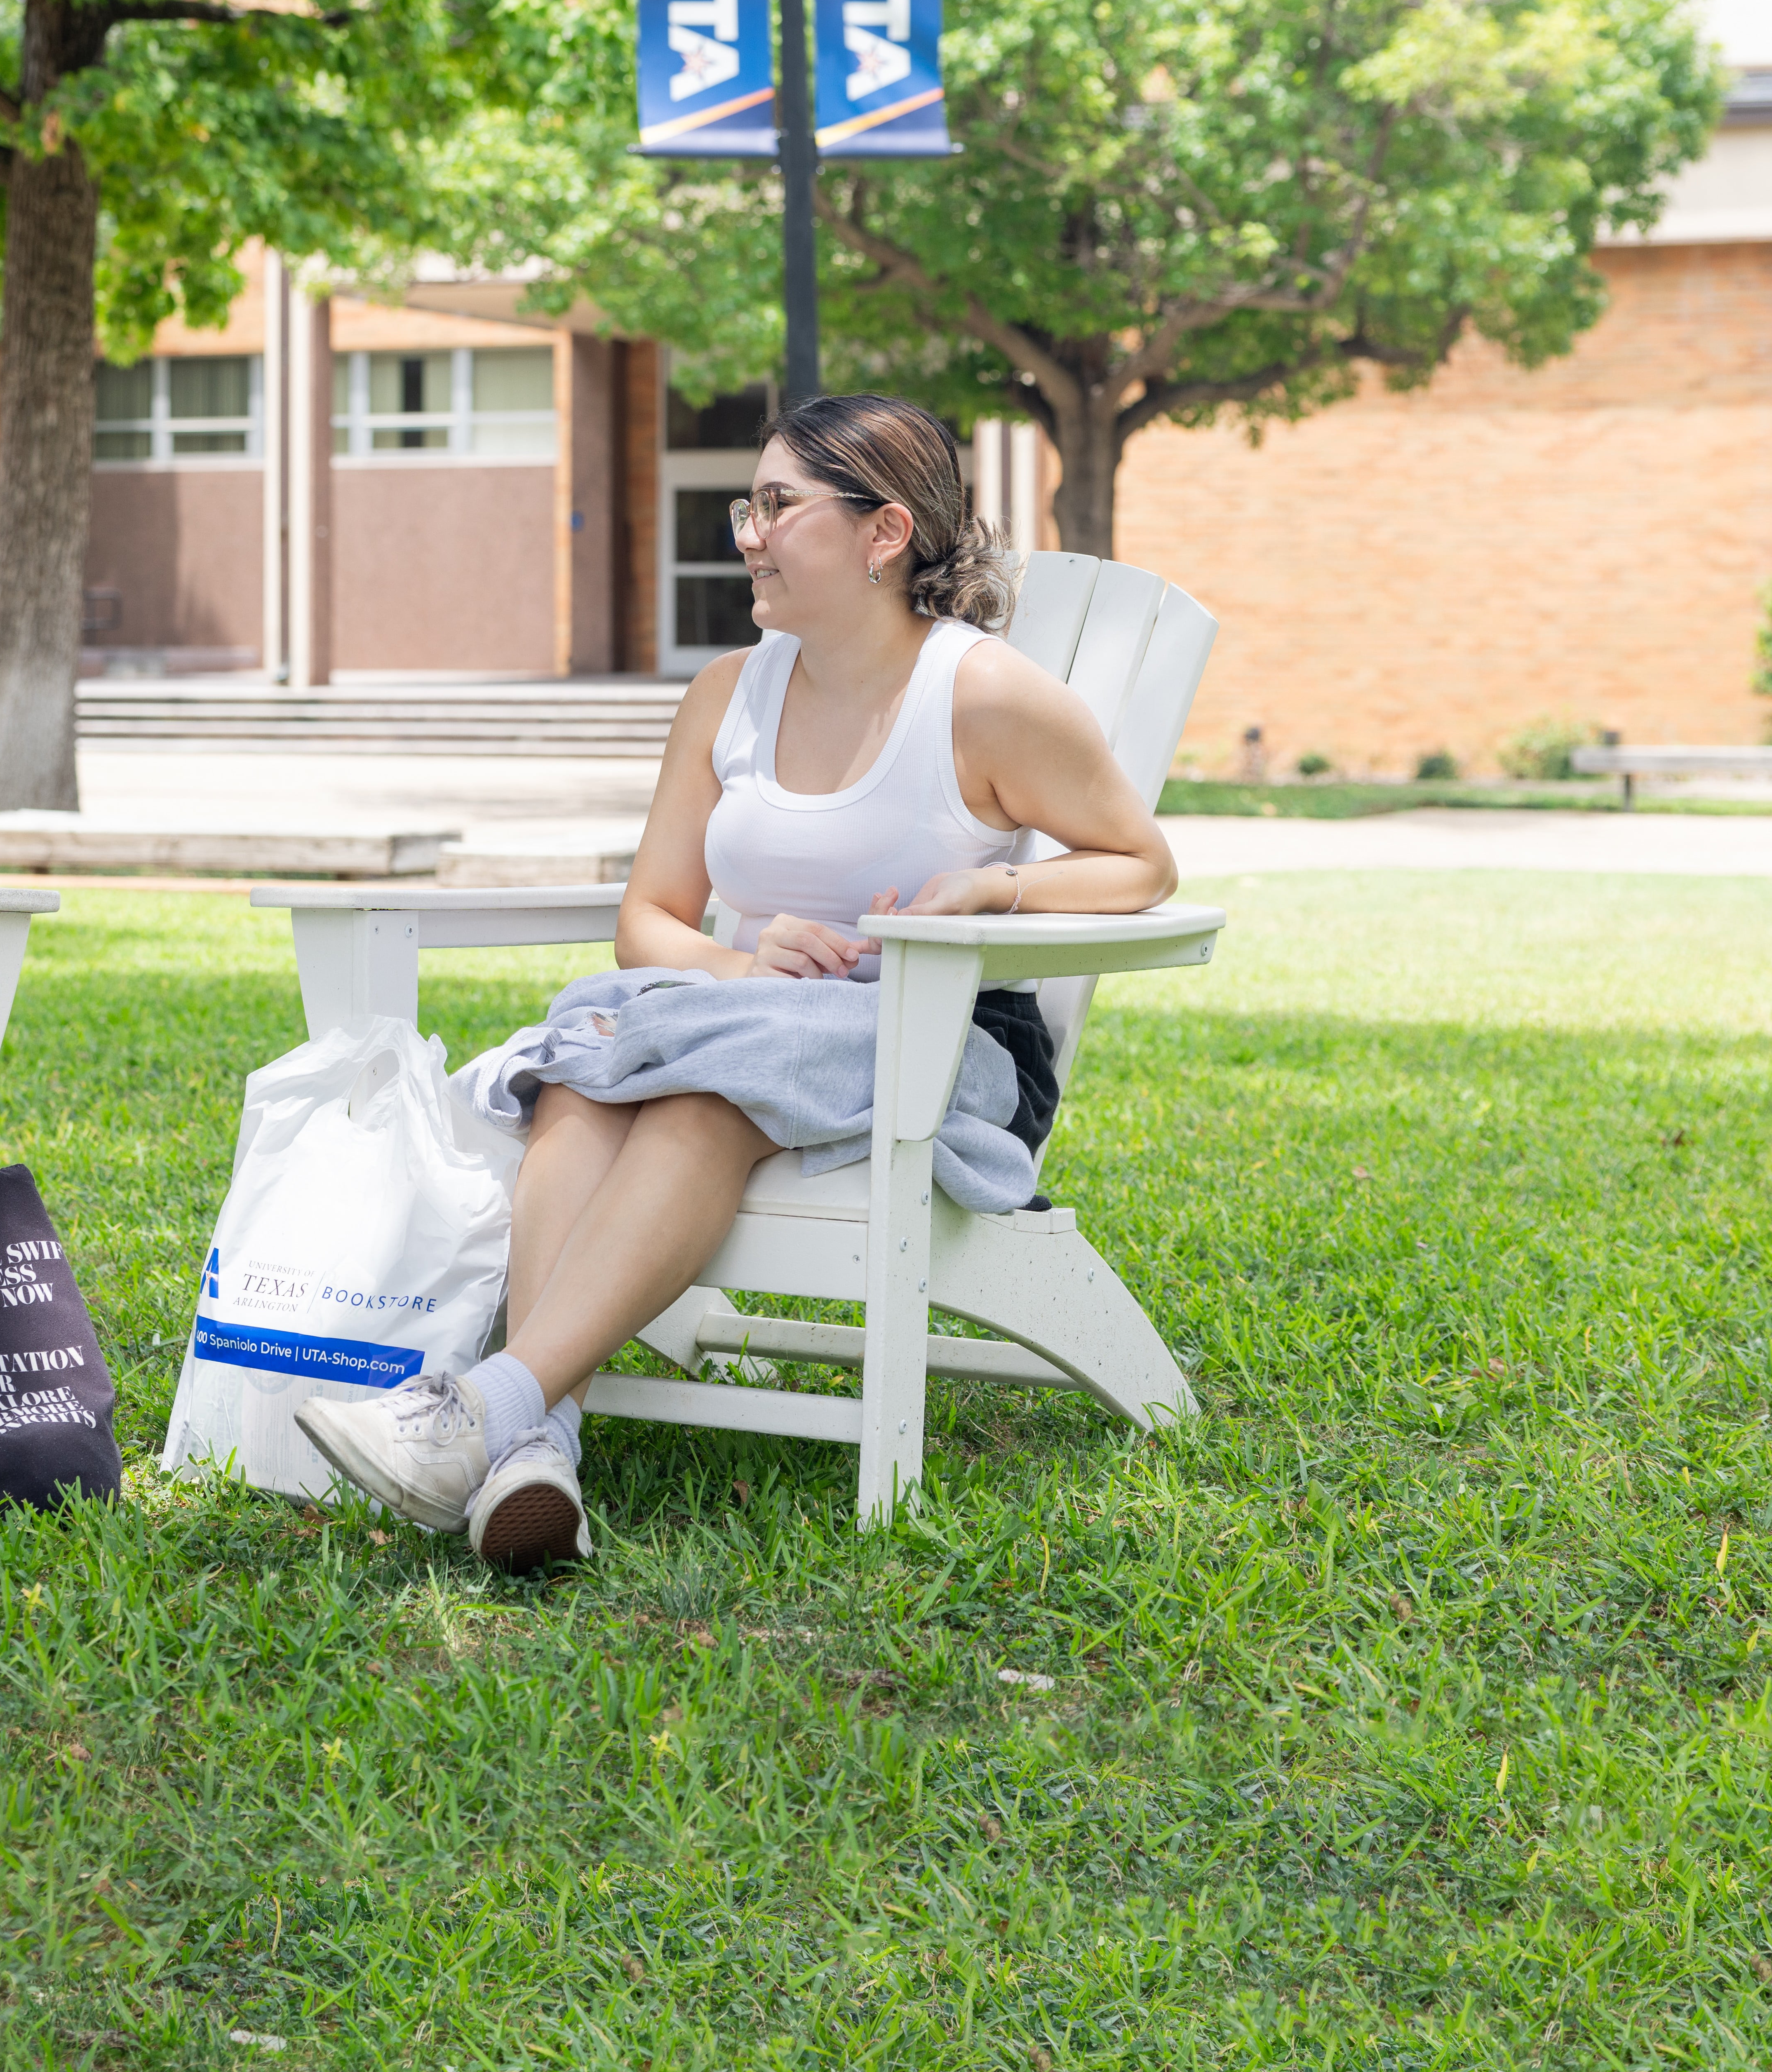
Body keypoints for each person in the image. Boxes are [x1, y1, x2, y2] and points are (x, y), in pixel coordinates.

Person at [297, 393, 1179, 1574]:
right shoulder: (727, 694)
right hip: (748, 1014)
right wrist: (734, 957)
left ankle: (479, 1406)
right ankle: (530, 1442)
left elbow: (1144, 863)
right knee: (582, 1074)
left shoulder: (982, 696)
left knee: (705, 1087)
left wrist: (995, 895)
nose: (747, 533)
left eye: (777, 505)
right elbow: (645, 918)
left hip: (940, 1041)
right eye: (745, 505)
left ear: (882, 534)